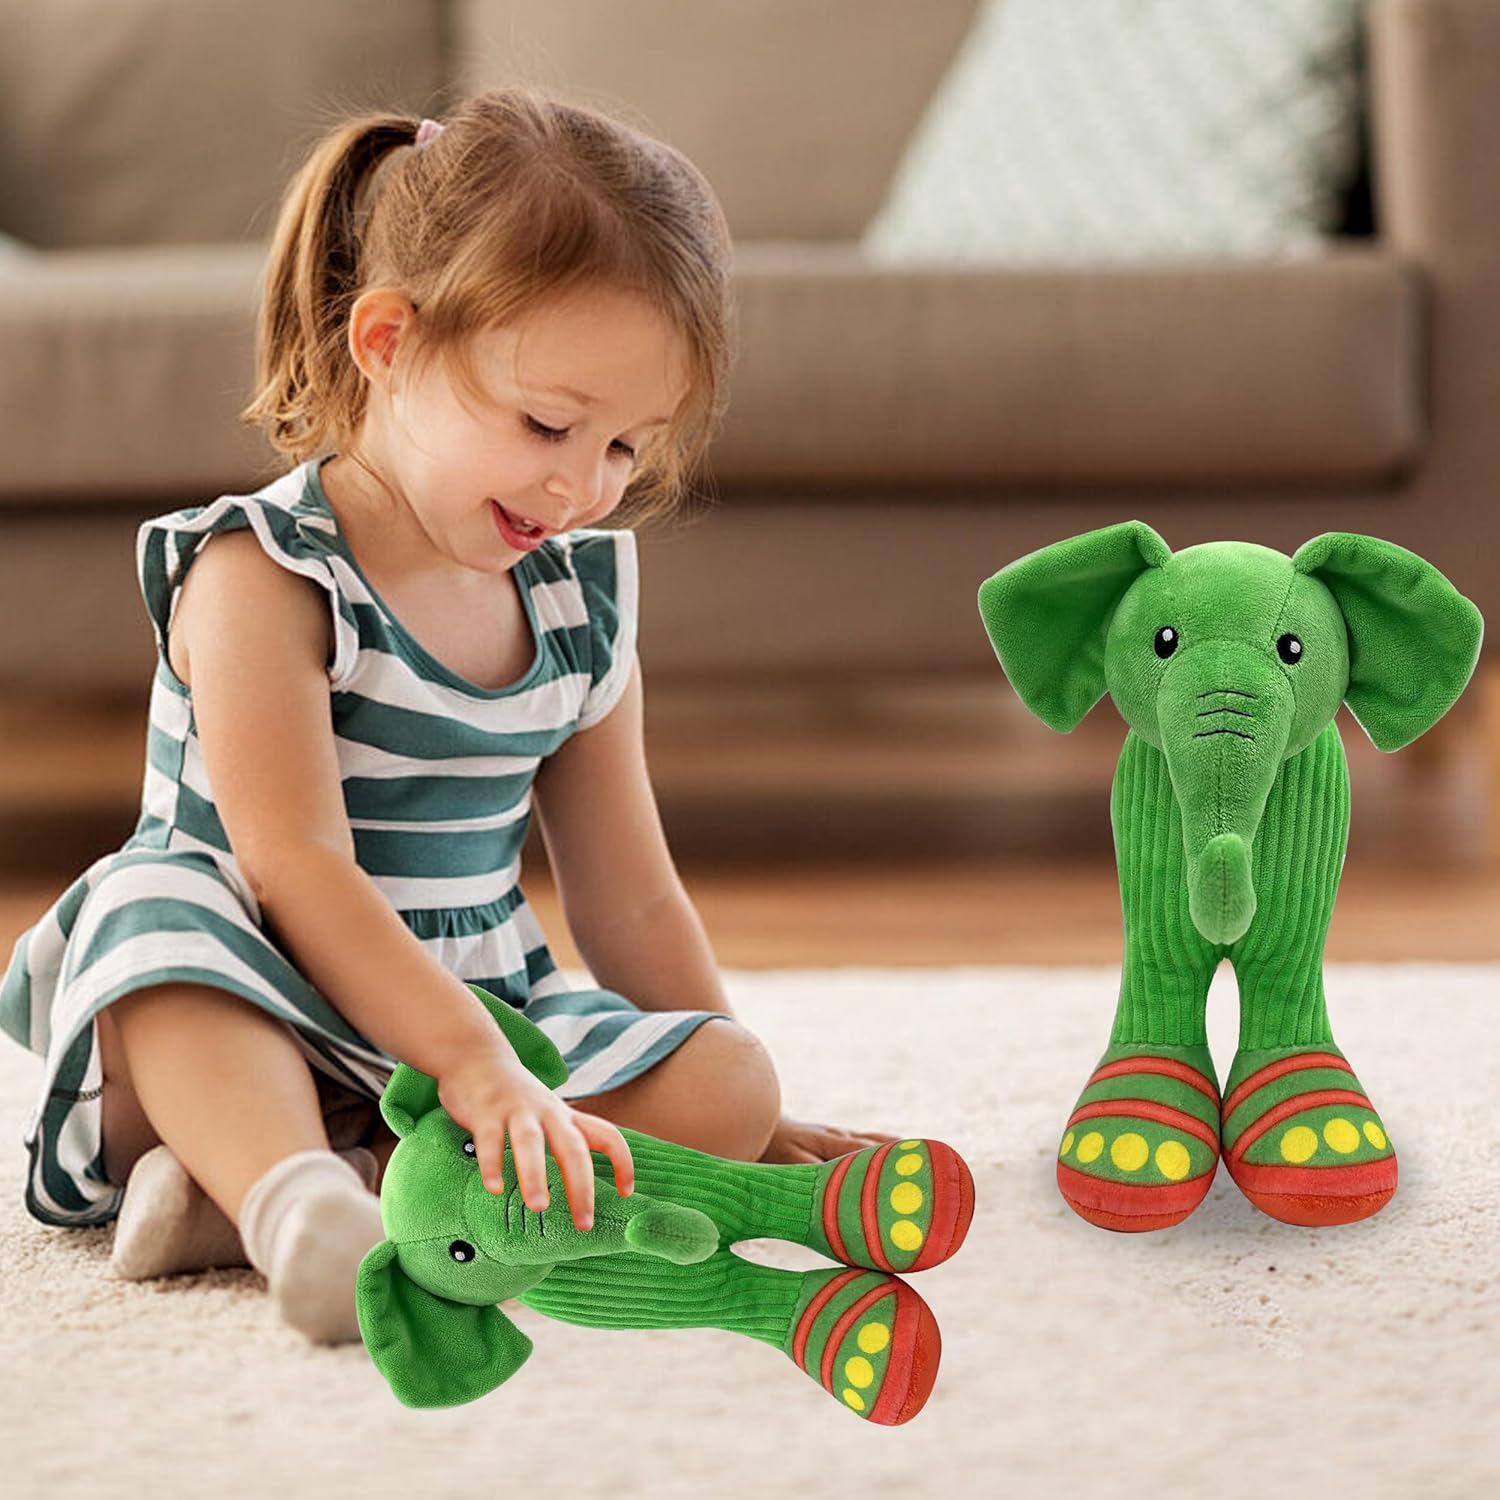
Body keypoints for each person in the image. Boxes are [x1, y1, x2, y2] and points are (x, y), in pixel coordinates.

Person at [0, 87, 897, 1345]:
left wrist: (738, 1095)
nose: (584, 487)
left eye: (629, 449)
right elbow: (293, 868)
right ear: (386, 342)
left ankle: (346, 1194)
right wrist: (469, 1064)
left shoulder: (580, 597)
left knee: (725, 1079)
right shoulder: (262, 574)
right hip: (255, 988)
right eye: (548, 425)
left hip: (473, 1007)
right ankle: (289, 1193)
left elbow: (630, 901)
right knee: (162, 929)